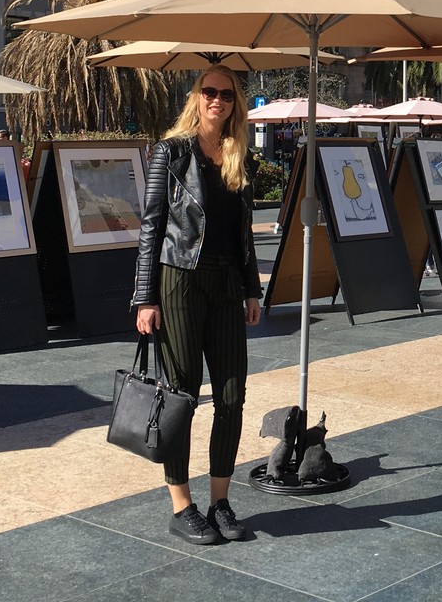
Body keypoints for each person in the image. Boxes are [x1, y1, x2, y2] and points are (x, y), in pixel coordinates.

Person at [132, 66, 262, 545]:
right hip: (178, 281)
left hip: (227, 285)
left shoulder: (238, 155)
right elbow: (151, 225)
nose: (218, 100)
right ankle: (181, 505)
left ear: (236, 102)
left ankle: (220, 501)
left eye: (227, 94)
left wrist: (252, 289)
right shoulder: (171, 151)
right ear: (196, 96)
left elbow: (243, 233)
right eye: (210, 91)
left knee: (231, 397)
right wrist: (144, 296)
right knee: (182, 397)